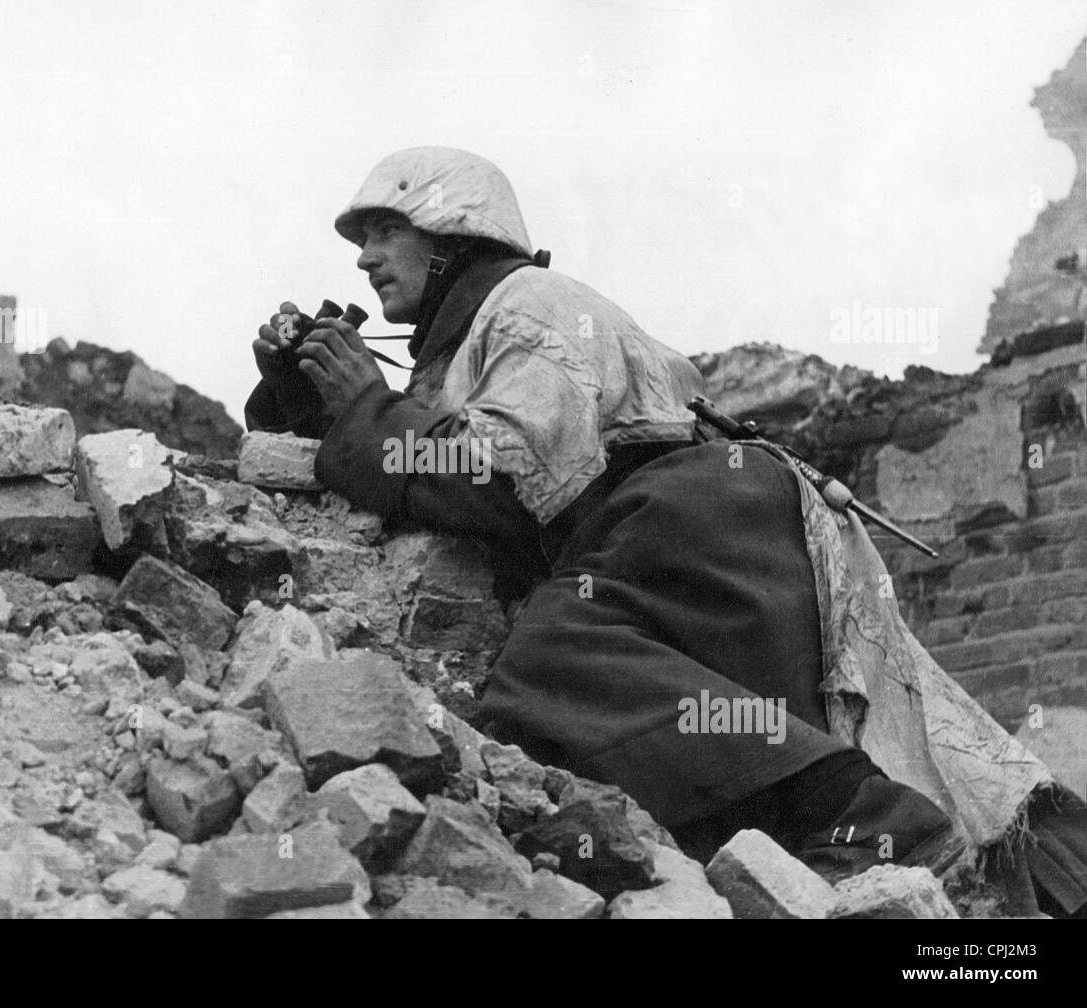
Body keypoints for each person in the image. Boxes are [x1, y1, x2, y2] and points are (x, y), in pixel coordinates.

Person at [245, 146, 971, 880]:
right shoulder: (470, 338)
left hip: (691, 513)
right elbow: (438, 463)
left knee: (551, 661)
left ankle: (877, 820)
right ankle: (852, 836)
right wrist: (307, 394)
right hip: (708, 527)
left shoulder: (527, 305)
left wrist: (368, 408)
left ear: (449, 237)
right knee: (732, 743)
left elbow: (495, 474)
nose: (365, 258)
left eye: (384, 232)